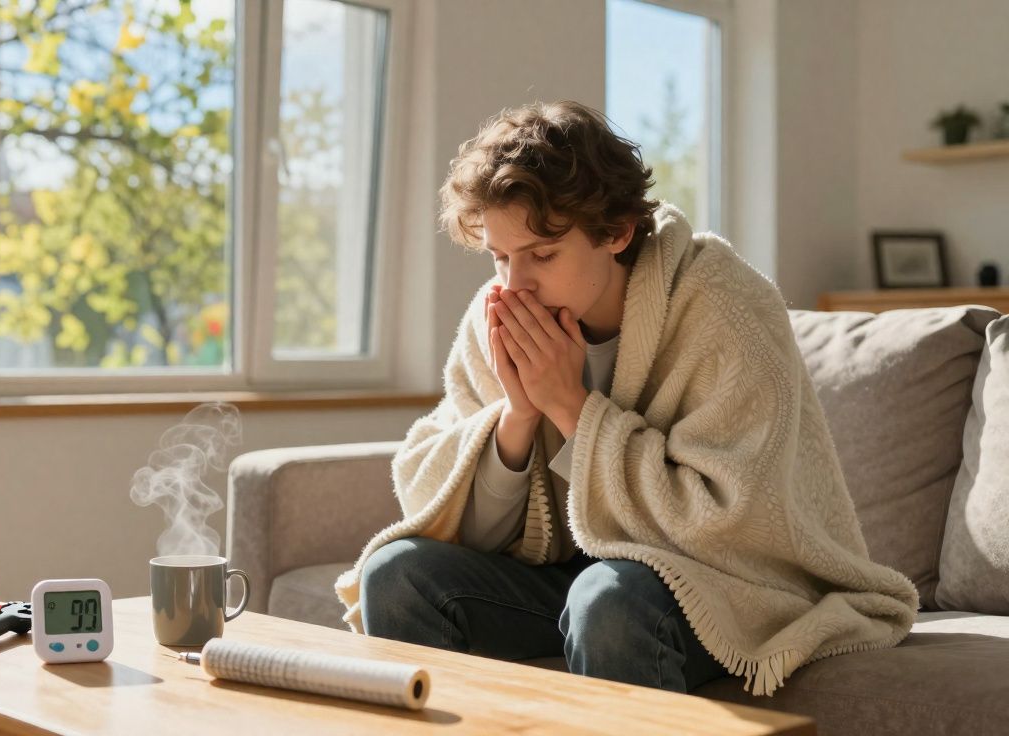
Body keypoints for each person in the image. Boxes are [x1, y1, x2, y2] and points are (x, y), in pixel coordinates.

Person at [332, 100, 918, 697]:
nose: (514, 285)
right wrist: (519, 414)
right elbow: (460, 522)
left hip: (731, 586)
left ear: (616, 232)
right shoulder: (497, 314)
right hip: (577, 571)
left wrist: (569, 408)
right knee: (397, 575)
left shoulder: (726, 307)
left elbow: (729, 520)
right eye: (500, 256)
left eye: (542, 255)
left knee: (608, 600)